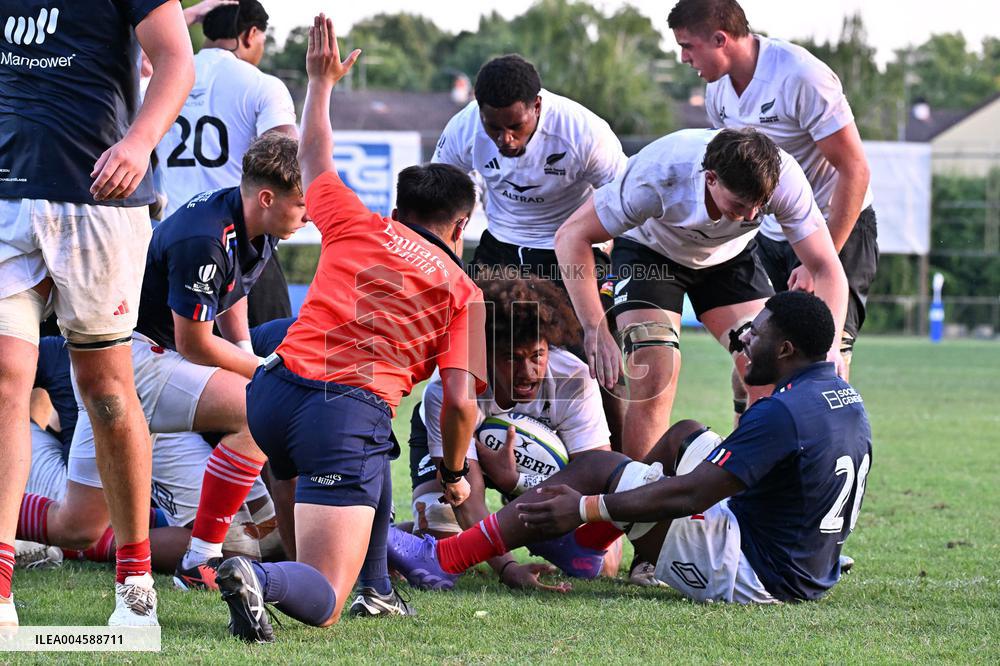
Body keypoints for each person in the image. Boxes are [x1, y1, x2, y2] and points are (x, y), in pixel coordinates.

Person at [212, 15, 487, 643]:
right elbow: (461, 406)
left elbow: (311, 154)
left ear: (397, 210)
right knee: (323, 596)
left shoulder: (359, 222)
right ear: (460, 226)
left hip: (273, 393)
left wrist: (319, 80)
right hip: (341, 414)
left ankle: (378, 590)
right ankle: (264, 578)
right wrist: (449, 472)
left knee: (370, 464)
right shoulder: (465, 293)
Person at [388, 290, 873, 604]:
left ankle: (443, 560)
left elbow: (691, 497)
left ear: (786, 350)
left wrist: (587, 506)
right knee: (685, 432)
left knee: (598, 468)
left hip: (751, 571)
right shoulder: (842, 399)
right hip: (801, 563)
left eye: (757, 334)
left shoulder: (780, 412)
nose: (745, 341)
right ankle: (583, 548)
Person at [14, 134, 306, 593]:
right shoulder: (205, 236)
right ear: (267, 197)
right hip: (137, 360)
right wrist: (266, 371)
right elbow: (193, 344)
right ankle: (199, 559)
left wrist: (248, 353)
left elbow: (230, 295)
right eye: (301, 203)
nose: (308, 215)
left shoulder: (253, 221)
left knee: (78, 525)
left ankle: (187, 549)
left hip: (137, 362)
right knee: (265, 406)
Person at [0, 0, 195, 628]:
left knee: (106, 392)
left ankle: (135, 584)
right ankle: (0, 587)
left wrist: (140, 144)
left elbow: (174, 59)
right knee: (6, 377)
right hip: (8, 194)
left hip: (96, 201)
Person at [555, 128, 848, 463]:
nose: (752, 216)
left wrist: (832, 346)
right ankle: (636, 499)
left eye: (760, 207)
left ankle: (746, 491)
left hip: (729, 257)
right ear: (710, 178)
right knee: (656, 371)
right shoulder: (659, 175)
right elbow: (571, 235)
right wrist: (595, 327)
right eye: (740, 204)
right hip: (651, 252)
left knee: (770, 365)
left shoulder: (784, 179)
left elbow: (826, 268)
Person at [667, 0, 877, 380]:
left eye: (687, 45)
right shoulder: (718, 92)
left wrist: (819, 260)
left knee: (823, 359)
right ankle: (750, 441)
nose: (683, 57)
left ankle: (834, 440)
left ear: (720, 38)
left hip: (833, 227)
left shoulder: (800, 75)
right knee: (755, 359)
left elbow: (855, 169)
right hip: (769, 235)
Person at [433, 53, 628, 450]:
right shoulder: (464, 128)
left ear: (537, 105)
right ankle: (448, 468)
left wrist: (605, 263)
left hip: (568, 248)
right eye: (494, 127)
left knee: (594, 360)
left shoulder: (583, 131)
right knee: (467, 355)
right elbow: (440, 200)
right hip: (500, 244)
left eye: (515, 126)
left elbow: (625, 202)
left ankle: (620, 468)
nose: (505, 138)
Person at [403, 277, 631, 597]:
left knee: (602, 567)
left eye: (537, 355)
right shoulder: (450, 391)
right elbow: (466, 498)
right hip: (457, 466)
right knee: (447, 546)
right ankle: (384, 535)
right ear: (487, 354)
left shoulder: (574, 380)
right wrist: (509, 568)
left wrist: (517, 483)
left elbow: (595, 473)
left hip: (523, 473)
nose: (527, 372)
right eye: (512, 358)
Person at [155, 0, 298, 328]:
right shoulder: (261, 84)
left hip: (171, 243)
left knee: (178, 366)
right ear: (250, 34)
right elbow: (290, 162)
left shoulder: (162, 79)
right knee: (265, 362)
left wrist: (185, 15)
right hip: (241, 244)